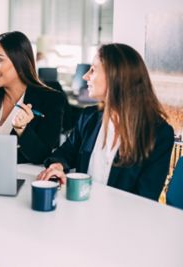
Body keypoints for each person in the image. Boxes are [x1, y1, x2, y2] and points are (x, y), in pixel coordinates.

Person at [38, 43, 175, 201]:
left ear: (115, 77)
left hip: (122, 221)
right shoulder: (89, 117)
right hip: (82, 212)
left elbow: (145, 198)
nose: (85, 76)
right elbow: (65, 153)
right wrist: (58, 166)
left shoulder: (158, 134)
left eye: (93, 70)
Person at [0, 31, 66, 164]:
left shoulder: (51, 99)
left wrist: (23, 130)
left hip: (23, 177)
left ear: (20, 61)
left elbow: (42, 156)